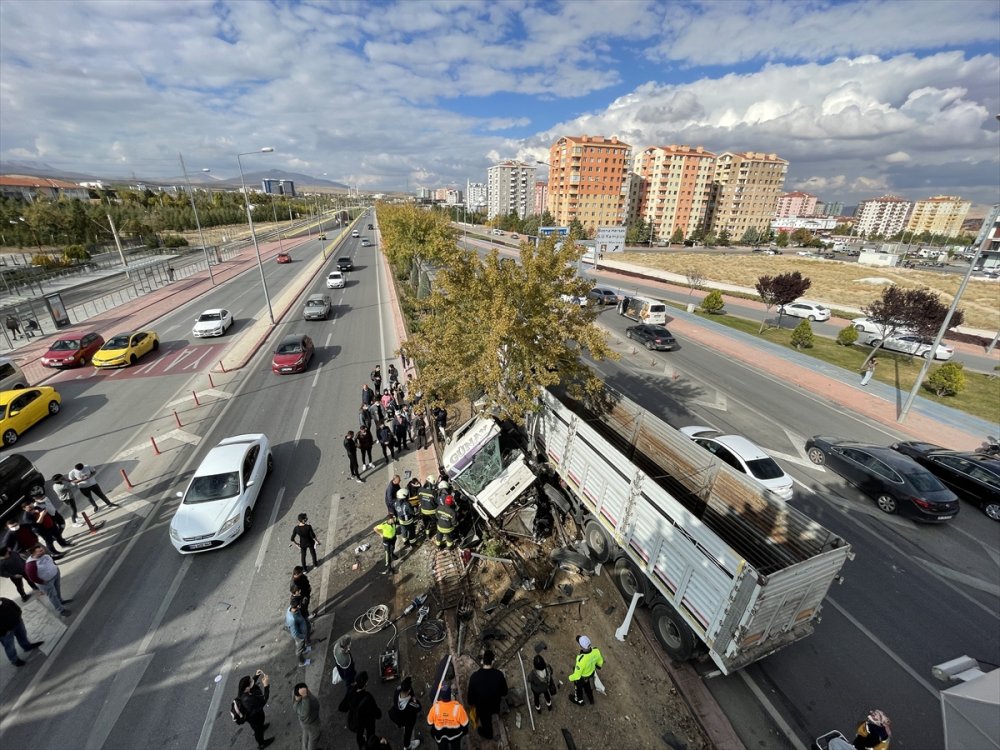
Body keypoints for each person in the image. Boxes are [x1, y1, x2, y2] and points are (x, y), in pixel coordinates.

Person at [466, 649, 509, 740]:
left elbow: (470, 700)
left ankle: (487, 734)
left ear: (482, 661)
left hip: (482, 709)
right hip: (495, 706)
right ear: (493, 661)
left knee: (486, 723)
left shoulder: (474, 677)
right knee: (494, 709)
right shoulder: (499, 675)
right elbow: (505, 692)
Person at [24, 545, 71, 617]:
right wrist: (42, 582)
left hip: (55, 575)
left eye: (42, 549)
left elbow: (51, 561)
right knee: (53, 596)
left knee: (57, 590)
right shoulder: (31, 565)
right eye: (40, 551)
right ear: (33, 553)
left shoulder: (45, 555)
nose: (43, 551)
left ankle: (61, 601)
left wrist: (56, 569)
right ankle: (61, 610)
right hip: (46, 582)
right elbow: (32, 577)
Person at [339, 670, 381, 749]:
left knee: (360, 735)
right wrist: (378, 715)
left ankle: (361, 745)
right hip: (367, 720)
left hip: (356, 721)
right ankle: (371, 745)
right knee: (370, 733)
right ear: (366, 684)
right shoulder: (368, 698)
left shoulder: (351, 691)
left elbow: (342, 707)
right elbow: (377, 713)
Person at [0, 596, 43, 667]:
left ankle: (27, 646)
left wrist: (19, 617)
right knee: (10, 647)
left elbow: (16, 608)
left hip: (18, 624)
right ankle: (14, 660)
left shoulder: (4, 600)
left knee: (23, 636)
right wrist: (4, 631)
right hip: (6, 633)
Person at [426, 683, 469, 750]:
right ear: (450, 695)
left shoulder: (435, 708)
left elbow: (429, 722)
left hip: (441, 736)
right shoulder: (458, 708)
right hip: (455, 736)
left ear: (441, 697)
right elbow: (465, 724)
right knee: (456, 747)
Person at [238, 670, 274, 749]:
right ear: (247, 688)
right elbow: (263, 700)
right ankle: (261, 744)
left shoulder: (242, 691)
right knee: (258, 731)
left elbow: (251, 683)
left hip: (253, 715)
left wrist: (256, 675)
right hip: (254, 717)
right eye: (251, 682)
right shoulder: (248, 699)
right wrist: (266, 686)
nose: (253, 681)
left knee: (258, 726)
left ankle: (261, 727)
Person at [568, 635, 604, 705]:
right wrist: (597, 665)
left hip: (582, 678)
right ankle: (591, 700)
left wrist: (570, 678)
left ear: (581, 646)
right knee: (589, 689)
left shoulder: (581, 659)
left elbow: (577, 676)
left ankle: (579, 700)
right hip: (591, 674)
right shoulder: (596, 650)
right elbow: (600, 662)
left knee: (578, 688)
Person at [389, 675, 422, 750]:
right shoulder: (410, 705)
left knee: (402, 725)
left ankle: (400, 725)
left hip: (396, 714)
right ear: (409, 690)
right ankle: (407, 746)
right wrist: (415, 700)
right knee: (408, 732)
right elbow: (418, 707)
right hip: (407, 720)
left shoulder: (398, 690)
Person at [293, 682, 322, 750]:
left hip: (305, 724)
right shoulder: (305, 703)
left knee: (306, 733)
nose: (308, 691)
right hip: (312, 723)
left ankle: (305, 747)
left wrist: (303, 696)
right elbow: (305, 712)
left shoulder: (296, 696)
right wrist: (305, 696)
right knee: (314, 738)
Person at [286, 599, 311, 666]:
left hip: (301, 633)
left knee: (302, 645)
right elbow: (295, 633)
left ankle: (305, 649)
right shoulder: (292, 619)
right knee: (299, 650)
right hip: (299, 636)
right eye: (299, 605)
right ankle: (302, 662)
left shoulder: (290, 608)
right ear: (298, 606)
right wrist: (302, 637)